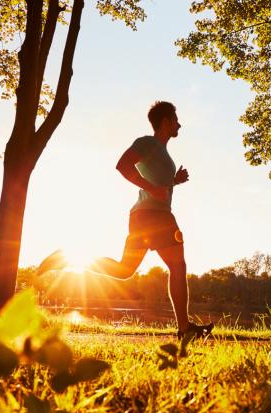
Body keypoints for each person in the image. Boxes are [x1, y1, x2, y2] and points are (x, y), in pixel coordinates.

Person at [38, 101, 213, 340]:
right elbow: (122, 165)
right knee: (178, 266)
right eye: (175, 120)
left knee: (124, 270)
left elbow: (159, 185)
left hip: (146, 215)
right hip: (155, 215)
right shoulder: (147, 143)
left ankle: (65, 259)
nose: (179, 124)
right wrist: (152, 188)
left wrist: (175, 181)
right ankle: (184, 329)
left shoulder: (162, 152)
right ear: (165, 122)